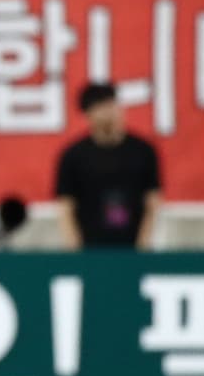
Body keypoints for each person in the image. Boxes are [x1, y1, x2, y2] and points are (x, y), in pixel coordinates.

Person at [55, 82, 162, 250]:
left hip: (133, 246)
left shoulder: (143, 151)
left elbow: (152, 200)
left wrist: (143, 245)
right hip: (90, 247)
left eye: (112, 104)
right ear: (88, 113)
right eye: (101, 107)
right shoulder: (74, 156)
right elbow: (66, 205)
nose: (109, 112)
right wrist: (74, 250)